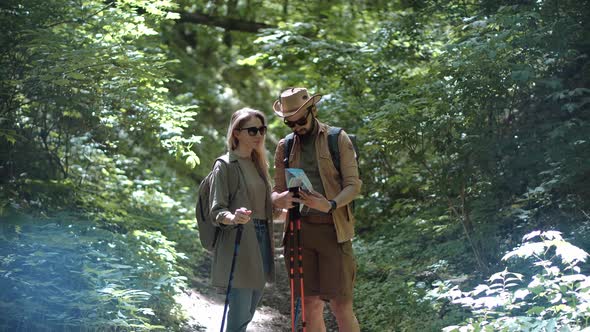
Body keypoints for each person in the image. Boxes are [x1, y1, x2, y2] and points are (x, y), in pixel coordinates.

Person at [271, 88, 362, 332]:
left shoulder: (337, 138)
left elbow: (354, 185)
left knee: (341, 305)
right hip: (299, 233)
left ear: (314, 110)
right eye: (290, 122)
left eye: (301, 120)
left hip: (334, 231)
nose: (296, 126)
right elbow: (276, 190)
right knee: (309, 304)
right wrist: (279, 199)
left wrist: (329, 204)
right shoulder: (285, 146)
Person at [209, 107, 276, 332]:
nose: (259, 134)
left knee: (250, 309)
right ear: (236, 133)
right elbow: (216, 210)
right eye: (252, 130)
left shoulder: (259, 165)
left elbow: (266, 209)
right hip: (238, 239)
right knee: (239, 311)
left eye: (262, 129)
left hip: (261, 238)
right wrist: (233, 217)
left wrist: (284, 205)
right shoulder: (225, 165)